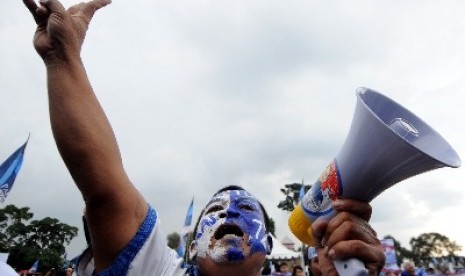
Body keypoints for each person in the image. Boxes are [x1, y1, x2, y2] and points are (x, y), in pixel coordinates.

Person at [21, 0, 386, 275]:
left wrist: (348, 261)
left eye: (245, 210)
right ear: (192, 244)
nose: (228, 212)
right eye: (214, 211)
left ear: (270, 244)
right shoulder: (155, 269)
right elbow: (105, 193)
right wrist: (62, 58)